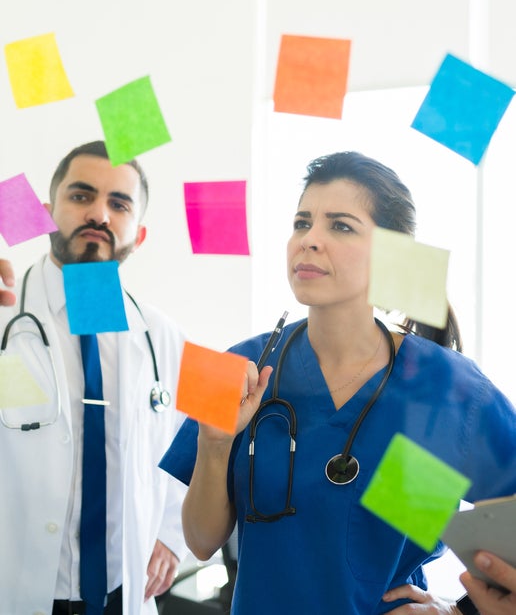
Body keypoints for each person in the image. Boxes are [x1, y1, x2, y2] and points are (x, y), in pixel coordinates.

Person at [159, 151, 516, 615]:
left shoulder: (445, 387)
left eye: (340, 226)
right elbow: (202, 542)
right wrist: (215, 442)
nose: (310, 240)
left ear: (393, 255)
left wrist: (458, 610)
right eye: (302, 222)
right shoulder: (241, 365)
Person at [0, 141, 188, 615]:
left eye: (118, 204)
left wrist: (171, 534)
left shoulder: (164, 337)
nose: (99, 214)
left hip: (122, 595)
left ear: (139, 234)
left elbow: (189, 447)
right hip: (17, 589)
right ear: (46, 213)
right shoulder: (5, 320)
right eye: (81, 196)